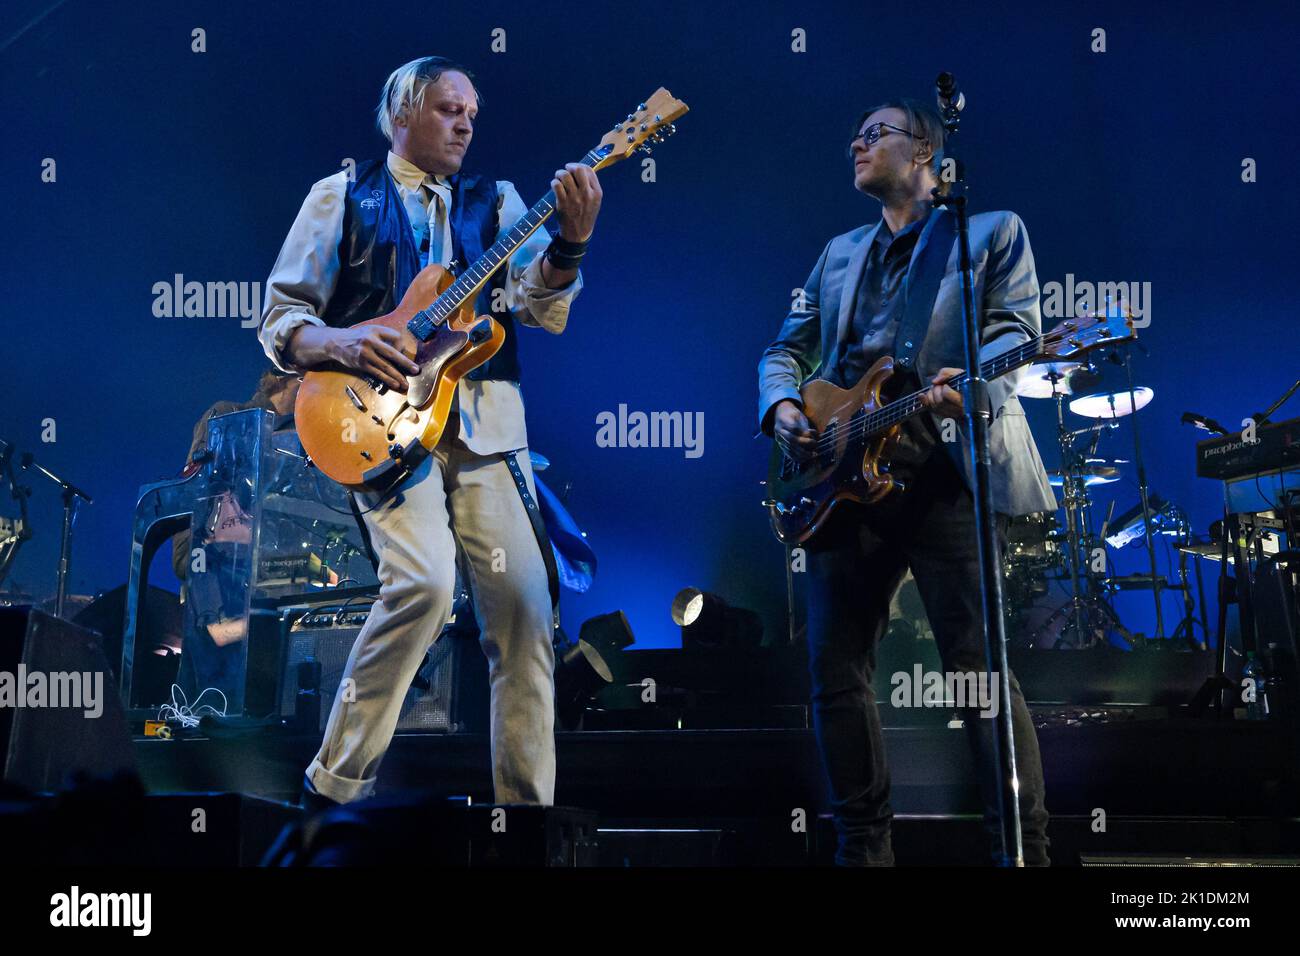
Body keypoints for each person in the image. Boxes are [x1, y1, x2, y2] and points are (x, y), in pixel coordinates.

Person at [257, 56, 602, 809]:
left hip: (483, 429)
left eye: (473, 112)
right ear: (402, 112)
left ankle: (526, 819)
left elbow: (544, 309)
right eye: (450, 109)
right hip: (376, 420)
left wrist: (569, 246)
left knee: (525, 609)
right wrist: (343, 343)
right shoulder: (340, 196)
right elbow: (280, 322)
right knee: (422, 583)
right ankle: (334, 785)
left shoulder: (501, 200)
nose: (467, 122)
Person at [757, 97, 1055, 865]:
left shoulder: (989, 233)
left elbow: (1018, 333)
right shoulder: (838, 252)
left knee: (977, 669)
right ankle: (864, 851)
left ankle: (1022, 849)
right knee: (834, 671)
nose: (857, 143)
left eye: (876, 133)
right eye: (853, 133)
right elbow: (785, 348)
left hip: (944, 467)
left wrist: (973, 381)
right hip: (842, 475)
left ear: (924, 151)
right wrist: (784, 404)